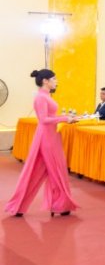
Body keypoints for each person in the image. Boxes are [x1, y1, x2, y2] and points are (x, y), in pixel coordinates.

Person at [5, 69, 79, 217]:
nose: (57, 81)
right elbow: (44, 119)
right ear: (45, 81)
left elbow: (50, 116)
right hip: (46, 137)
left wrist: (66, 117)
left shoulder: (46, 96)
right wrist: (65, 119)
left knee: (55, 169)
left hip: (52, 135)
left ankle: (60, 204)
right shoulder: (40, 97)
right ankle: (21, 205)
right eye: (54, 79)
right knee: (50, 169)